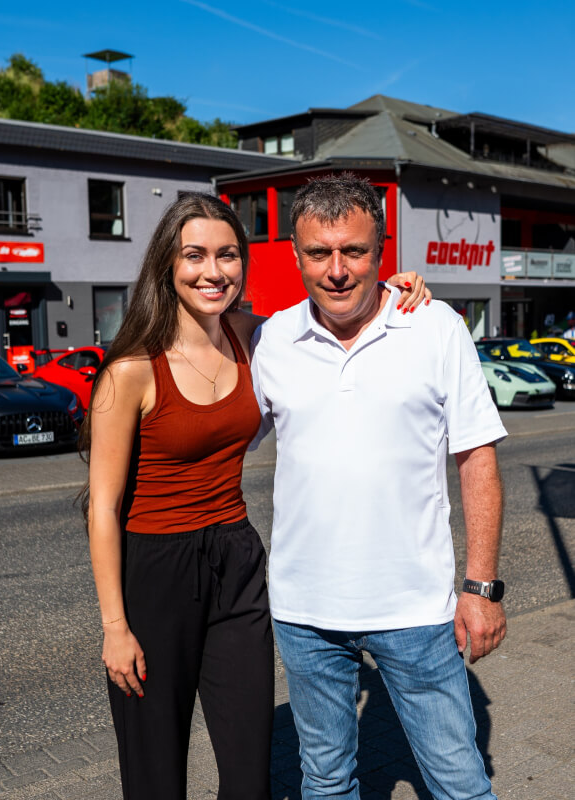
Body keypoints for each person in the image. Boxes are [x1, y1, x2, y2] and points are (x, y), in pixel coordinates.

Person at [82, 191, 429, 800]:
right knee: (155, 772)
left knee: (250, 771)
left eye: (227, 256)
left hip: (238, 564)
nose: (212, 272)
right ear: (168, 263)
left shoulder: (251, 335)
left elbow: (333, 309)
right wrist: (115, 626)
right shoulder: (131, 369)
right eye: (195, 256)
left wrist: (388, 292)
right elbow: (103, 508)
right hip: (154, 570)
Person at [250, 174, 508, 800]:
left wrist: (480, 588)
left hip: (415, 611)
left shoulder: (436, 326)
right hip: (304, 613)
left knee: (460, 784)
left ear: (382, 252)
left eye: (354, 251)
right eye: (319, 253)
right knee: (326, 780)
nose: (336, 270)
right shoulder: (271, 340)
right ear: (295, 255)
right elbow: (220, 436)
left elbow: (477, 459)